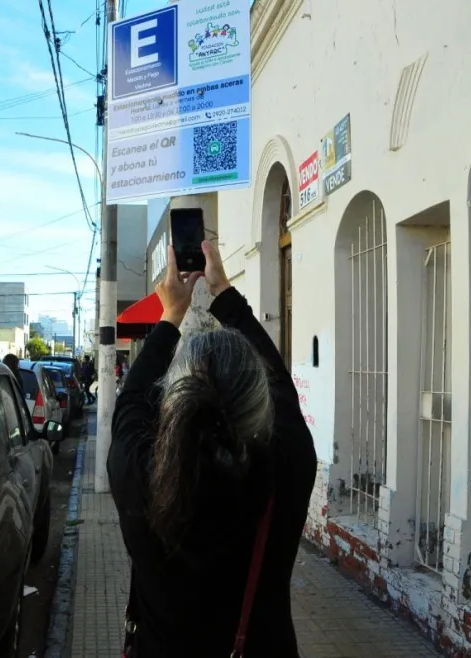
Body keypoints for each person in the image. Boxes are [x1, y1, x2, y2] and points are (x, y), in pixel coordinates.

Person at [107, 240, 317, 657]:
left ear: (173, 399)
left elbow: (128, 405)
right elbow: (284, 393)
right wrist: (226, 299)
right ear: (259, 404)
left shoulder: (139, 475)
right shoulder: (287, 467)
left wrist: (171, 315)